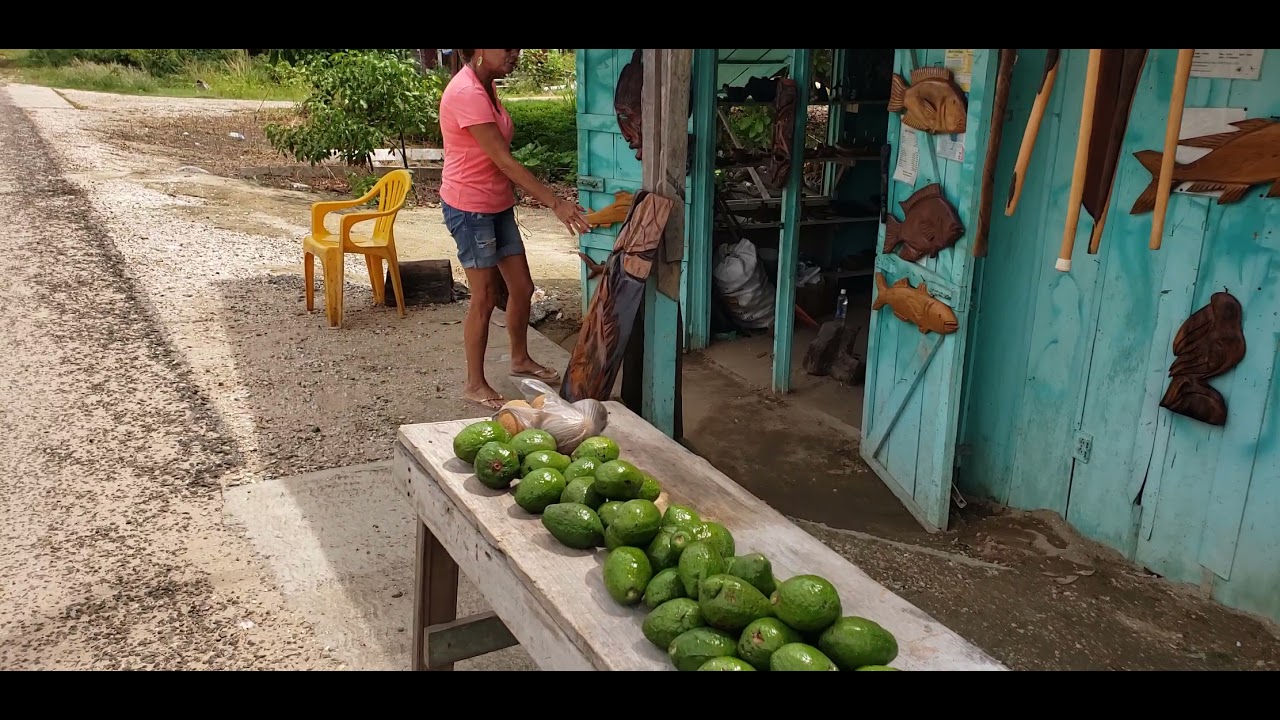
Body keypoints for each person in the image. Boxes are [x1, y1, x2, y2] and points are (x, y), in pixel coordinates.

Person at [438, 48, 590, 411]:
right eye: (506, 48)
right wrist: (555, 202)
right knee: (486, 295)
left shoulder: (486, 85)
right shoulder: (466, 92)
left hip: (496, 203)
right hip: (469, 207)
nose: (515, 54)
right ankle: (474, 383)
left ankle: (520, 359)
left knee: (521, 287)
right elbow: (503, 161)